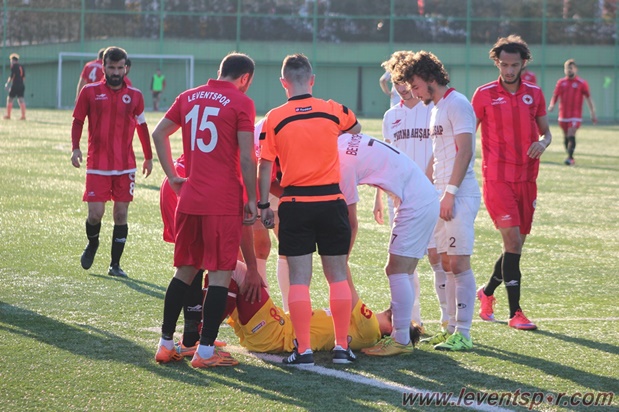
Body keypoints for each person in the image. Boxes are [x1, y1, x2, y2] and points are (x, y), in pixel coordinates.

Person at [152, 52, 258, 369]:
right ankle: (206, 351)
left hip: (189, 198)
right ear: (245, 78)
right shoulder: (241, 101)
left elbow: (158, 133)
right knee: (220, 274)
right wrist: (253, 199)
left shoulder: (189, 96)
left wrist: (172, 176)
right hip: (222, 201)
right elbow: (247, 157)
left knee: (184, 272)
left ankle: (165, 344)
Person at [258, 53, 361, 366]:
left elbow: (265, 165)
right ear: (312, 80)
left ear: (283, 83)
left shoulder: (274, 117)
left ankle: (303, 350)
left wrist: (264, 205)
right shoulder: (333, 109)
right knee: (337, 276)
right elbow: (356, 129)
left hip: (295, 204)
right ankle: (341, 347)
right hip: (331, 201)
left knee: (300, 279)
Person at [392, 50, 480, 351]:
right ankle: (450, 327)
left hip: (460, 194)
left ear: (429, 78)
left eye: (416, 86)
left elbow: (465, 151)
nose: (414, 93)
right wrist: (422, 187)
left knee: (458, 262)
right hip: (441, 194)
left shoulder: (458, 103)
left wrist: (450, 192)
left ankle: (463, 333)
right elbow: (437, 156)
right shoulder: (435, 108)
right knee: (444, 262)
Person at [472, 35, 552, 331]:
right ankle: (515, 313)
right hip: (497, 178)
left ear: (523, 64)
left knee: (515, 246)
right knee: (513, 243)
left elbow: (546, 133)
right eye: (504, 65)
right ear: (497, 62)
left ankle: (486, 292)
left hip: (527, 179)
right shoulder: (483, 95)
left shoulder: (535, 94)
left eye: (514, 65)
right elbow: (467, 134)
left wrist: (543, 143)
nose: (508, 70)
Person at [338, 133, 439, 356]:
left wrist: (342, 260)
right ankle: (401, 335)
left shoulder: (341, 163)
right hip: (421, 197)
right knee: (403, 271)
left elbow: (351, 223)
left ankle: (400, 339)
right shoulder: (342, 141)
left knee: (396, 270)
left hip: (416, 202)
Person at [71, 46, 153, 279]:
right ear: (103, 67)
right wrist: (75, 148)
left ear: (125, 68)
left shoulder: (135, 95)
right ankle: (93, 242)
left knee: (121, 215)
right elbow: (78, 121)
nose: (116, 72)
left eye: (120, 67)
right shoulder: (89, 91)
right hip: (97, 164)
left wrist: (148, 157)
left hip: (125, 166)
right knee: (95, 214)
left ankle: (115, 264)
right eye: (111, 67)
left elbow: (142, 126)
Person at [378, 50, 445, 332]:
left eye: (405, 81)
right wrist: (379, 197)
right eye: (396, 82)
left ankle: (448, 321)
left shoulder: (432, 109)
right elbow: (385, 159)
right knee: (405, 262)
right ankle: (413, 322)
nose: (402, 87)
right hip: (399, 198)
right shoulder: (391, 116)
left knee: (437, 257)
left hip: (431, 195)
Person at [226, 260, 422, 355]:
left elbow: (346, 284)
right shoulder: (365, 329)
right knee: (228, 273)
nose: (400, 314)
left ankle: (207, 340)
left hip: (277, 334)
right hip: (275, 330)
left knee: (234, 269)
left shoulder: (370, 329)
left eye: (403, 322)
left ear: (391, 330)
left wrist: (338, 252)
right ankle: (207, 337)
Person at [548, 58, 597, 166]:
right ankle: (569, 155)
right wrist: (552, 105)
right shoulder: (561, 82)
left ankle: (570, 158)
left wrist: (592, 112)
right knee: (566, 137)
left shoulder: (581, 83)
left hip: (575, 115)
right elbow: (555, 95)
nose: (569, 70)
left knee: (571, 133)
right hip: (563, 115)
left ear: (575, 69)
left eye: (571, 68)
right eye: (567, 68)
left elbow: (588, 98)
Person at [4, 53, 26, 120]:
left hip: (15, 84)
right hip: (21, 85)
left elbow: (12, 75)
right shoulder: (21, 66)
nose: (11, 62)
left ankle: (8, 115)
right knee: (21, 99)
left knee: (10, 99)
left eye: (11, 60)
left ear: (13, 60)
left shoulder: (14, 66)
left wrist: (7, 83)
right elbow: (23, 77)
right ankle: (23, 116)